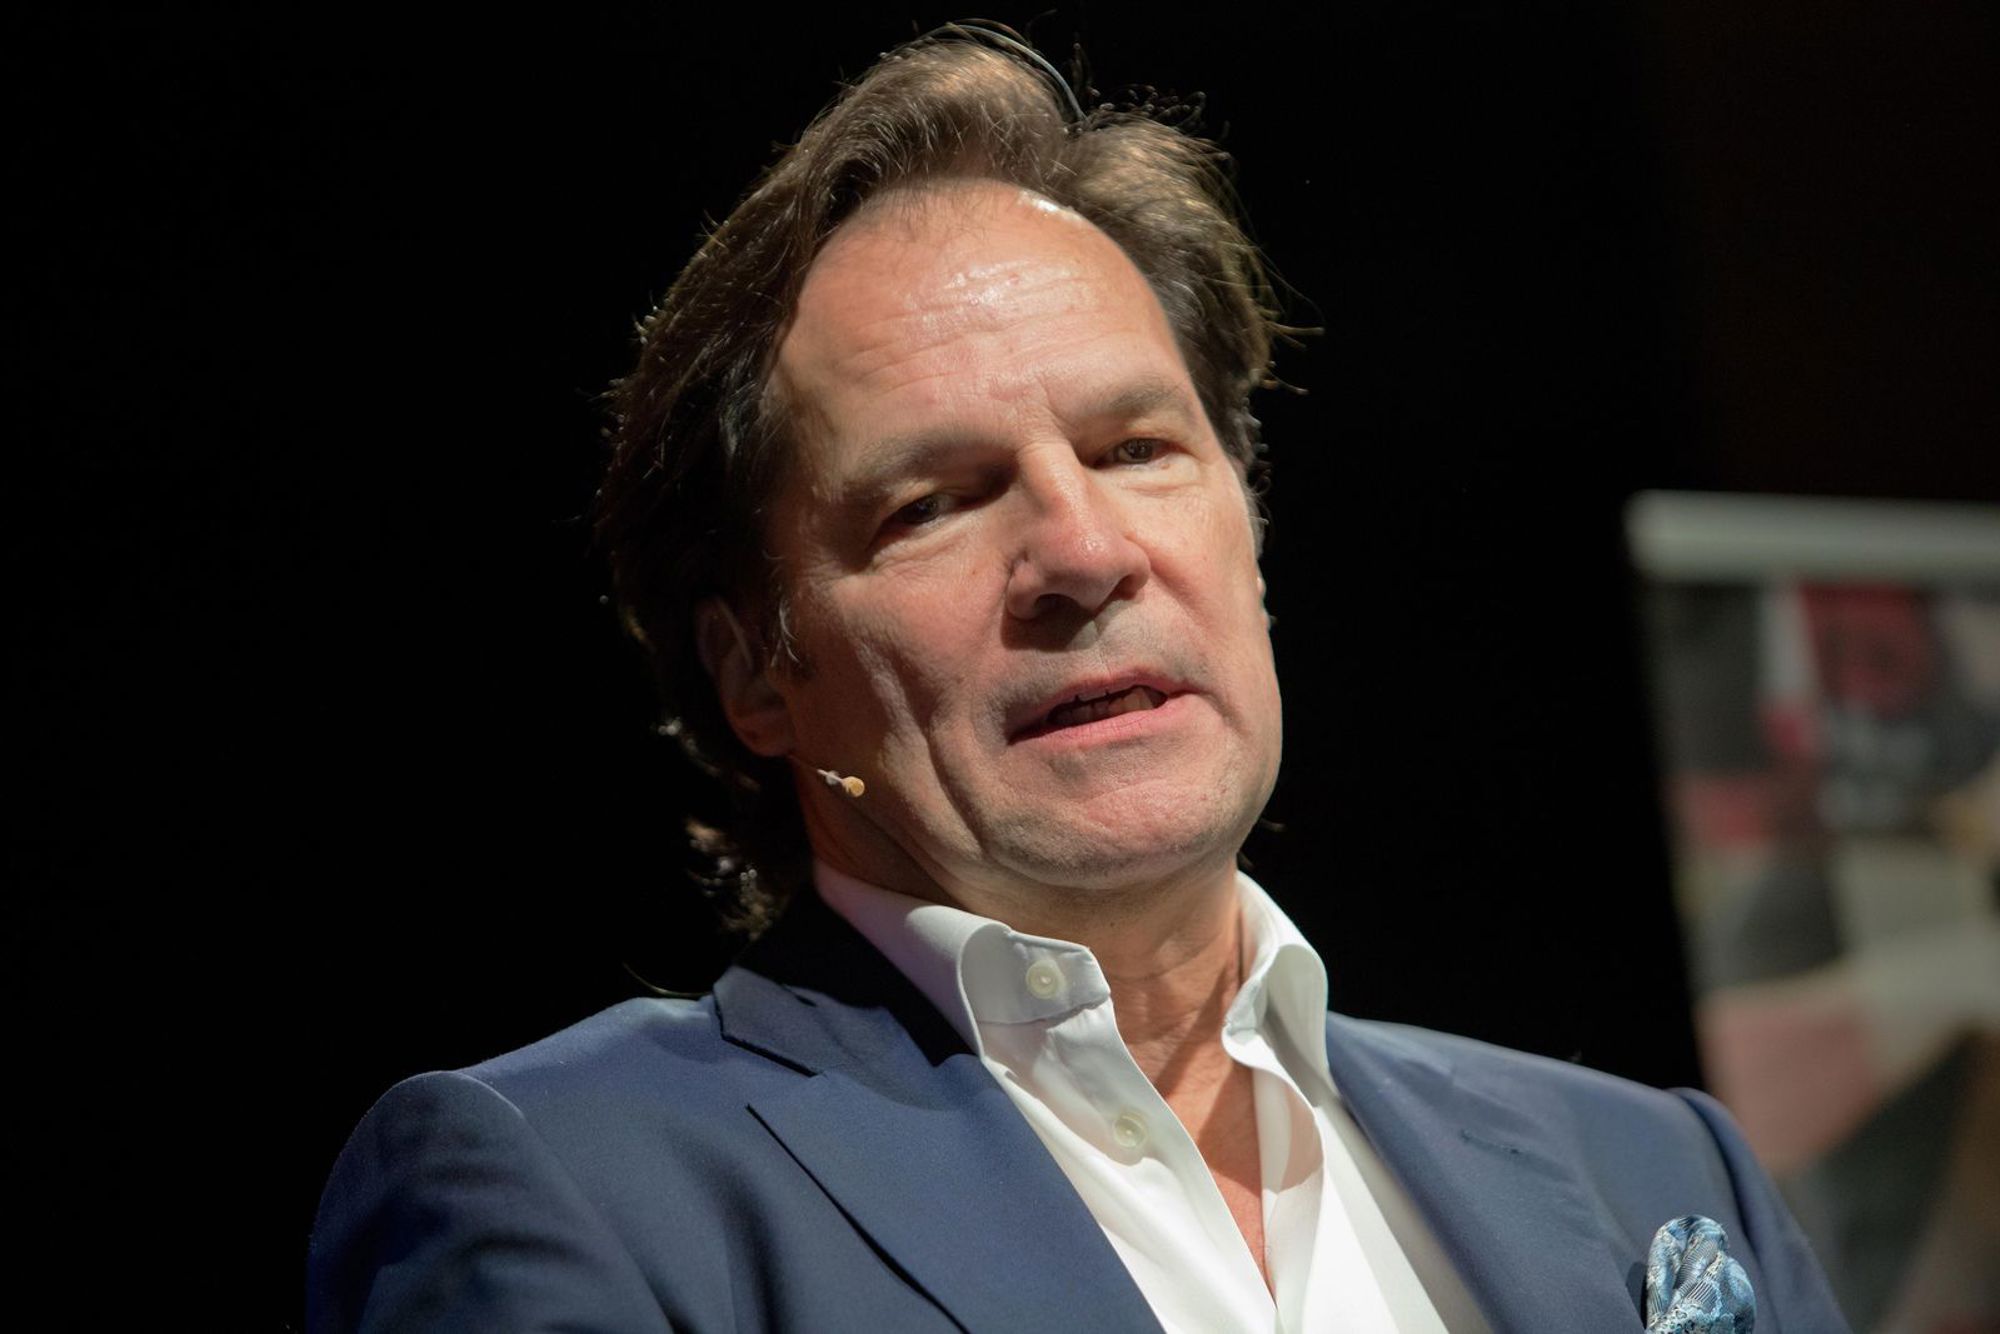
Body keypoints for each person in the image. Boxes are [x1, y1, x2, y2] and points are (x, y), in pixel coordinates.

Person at [308, 27, 1846, 1333]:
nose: (1086, 550)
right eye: (933, 501)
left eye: (1136, 448)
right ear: (753, 672)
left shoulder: (1658, 1176)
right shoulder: (572, 1187)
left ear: (1249, 527)